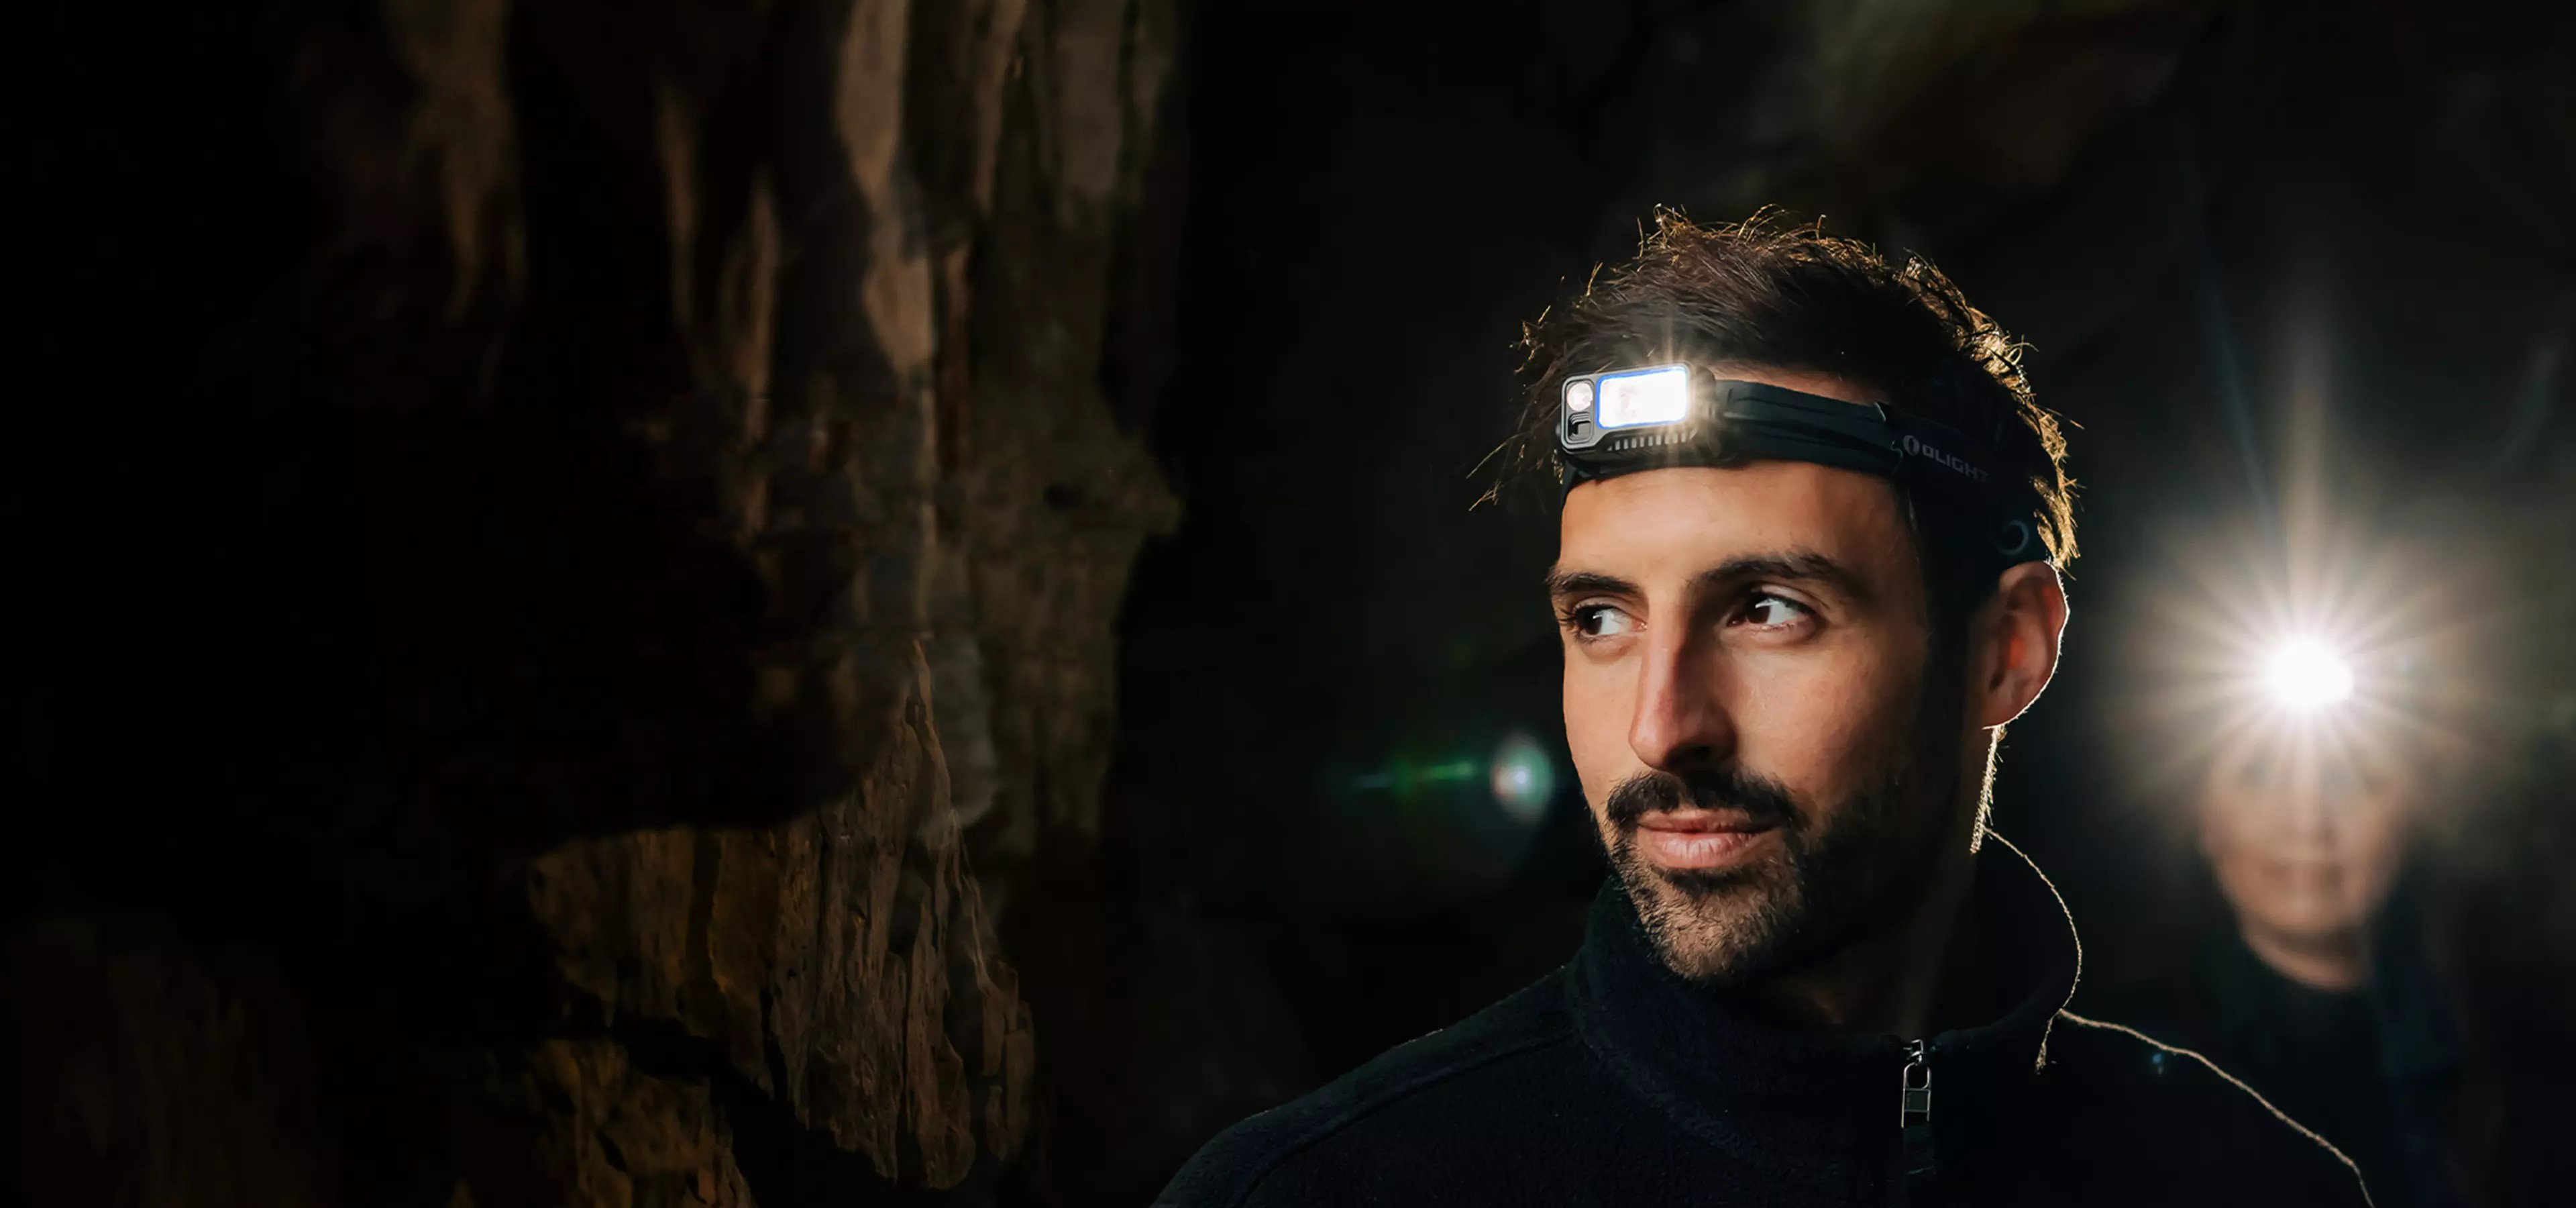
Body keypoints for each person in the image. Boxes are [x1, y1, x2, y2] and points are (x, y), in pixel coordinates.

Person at [1155, 212, 2369, 1206]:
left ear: (2008, 650)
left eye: (1767, 609)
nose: (1662, 727)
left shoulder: (2261, 1188)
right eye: (1603, 619)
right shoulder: (1312, 1195)